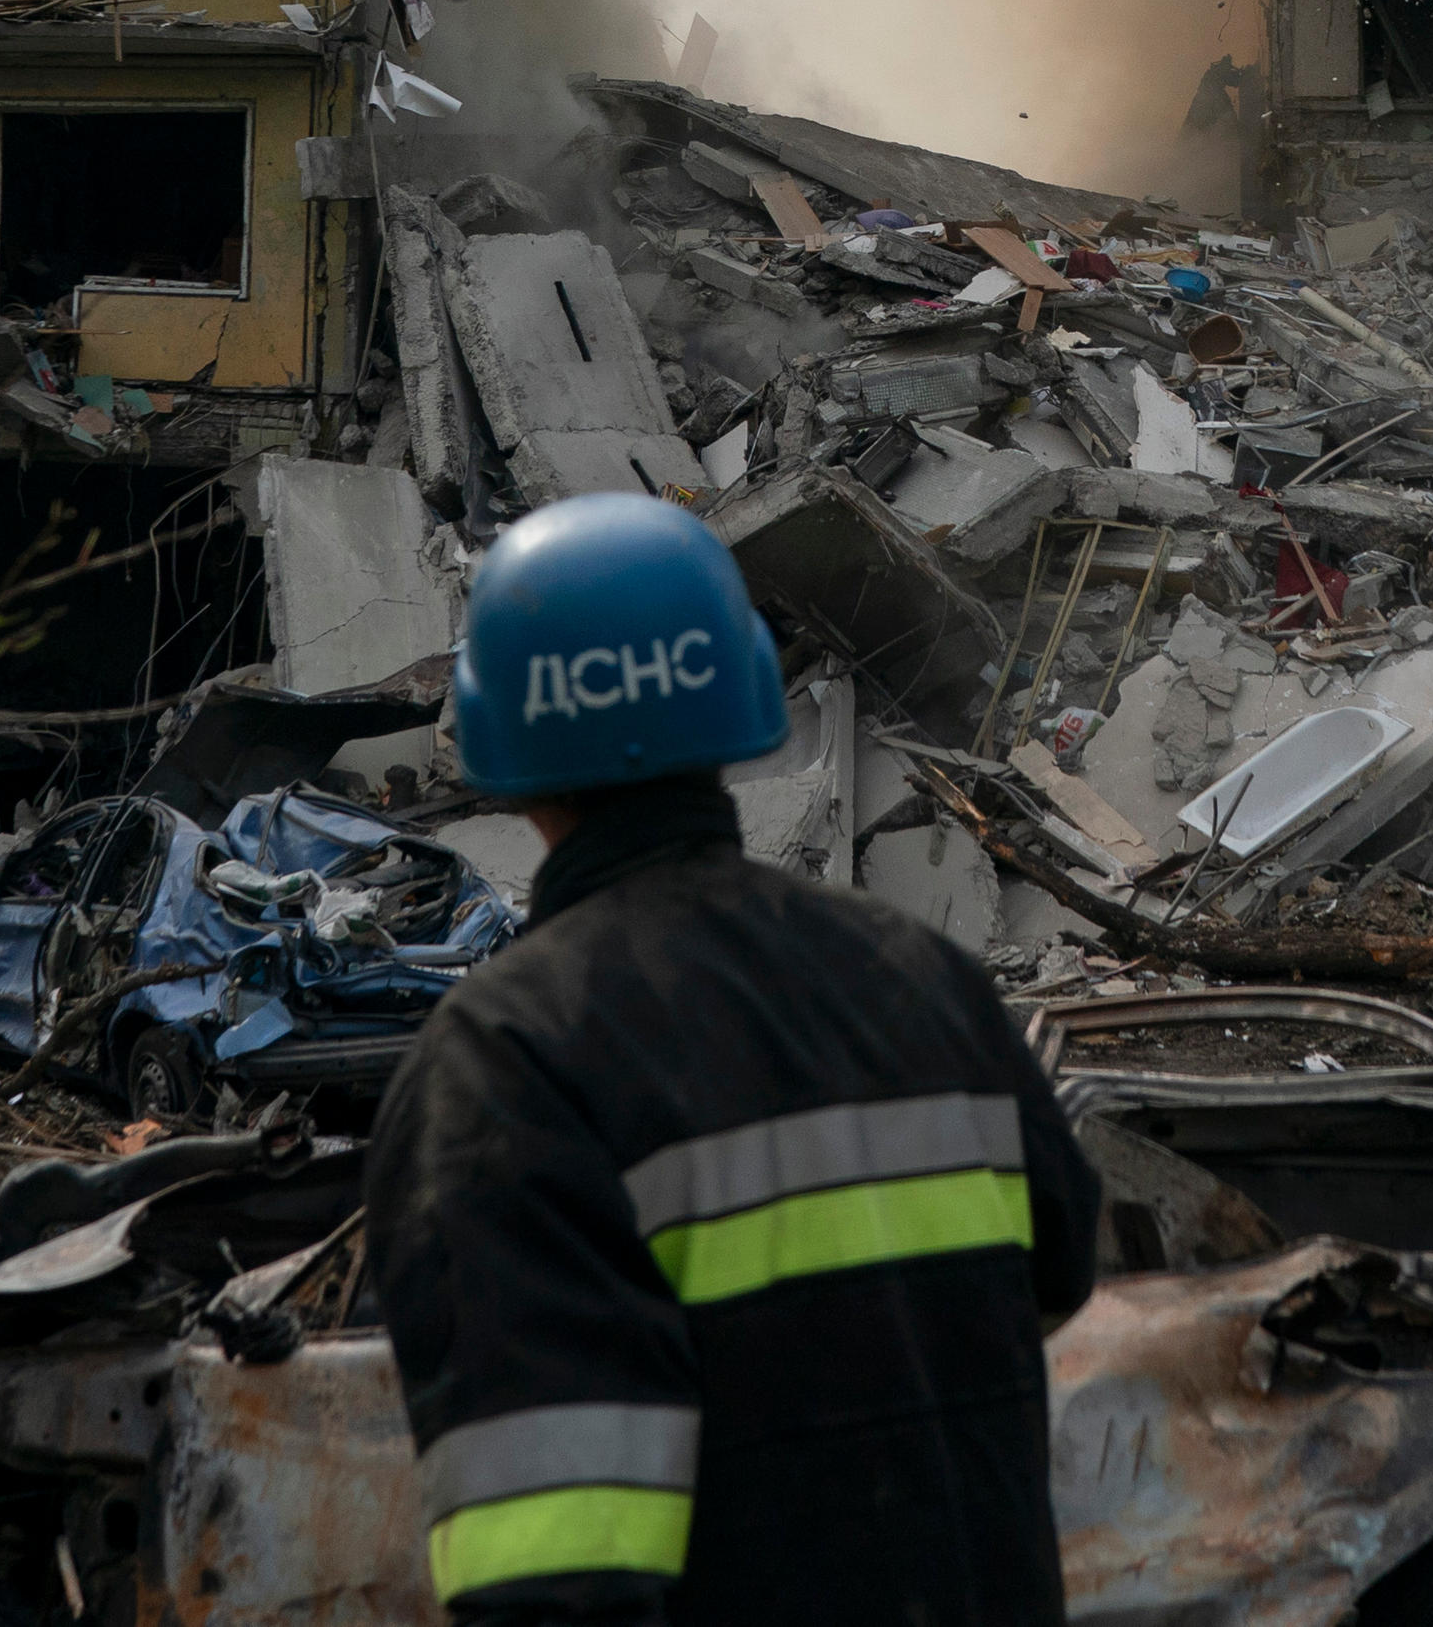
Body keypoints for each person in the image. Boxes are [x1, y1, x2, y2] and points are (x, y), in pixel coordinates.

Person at [362, 490, 1103, 1627]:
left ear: (502, 745)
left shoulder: (508, 1063)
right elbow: (1055, 1275)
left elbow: (549, 1568)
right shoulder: (925, 980)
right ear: (738, 698)